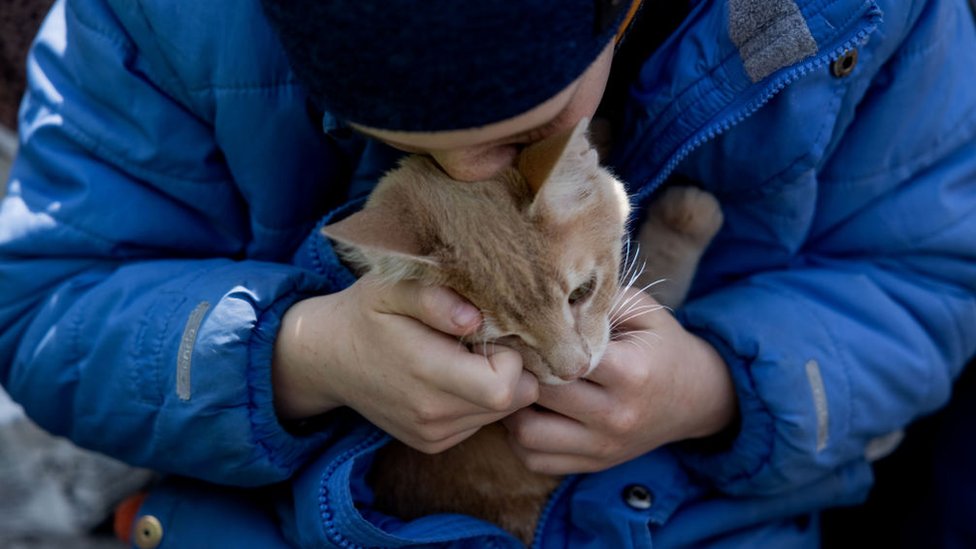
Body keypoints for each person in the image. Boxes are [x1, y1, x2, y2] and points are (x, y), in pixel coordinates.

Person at [0, 0, 974, 547]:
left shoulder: (880, 22)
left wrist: (717, 389)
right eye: (393, 141)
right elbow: (44, 303)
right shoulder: (154, 23)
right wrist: (299, 353)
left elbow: (927, 286)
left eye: (519, 138)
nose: (477, 173)